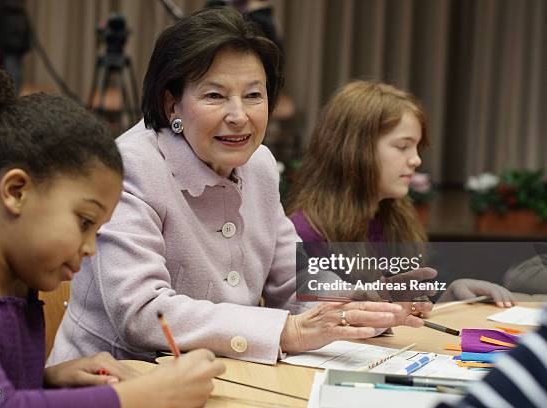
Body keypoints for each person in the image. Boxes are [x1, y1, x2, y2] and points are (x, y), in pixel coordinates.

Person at [49, 7, 427, 367]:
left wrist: (363, 305)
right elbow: (143, 313)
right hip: (117, 382)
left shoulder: (259, 164)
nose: (239, 116)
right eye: (215, 95)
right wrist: (287, 330)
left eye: (253, 95)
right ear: (172, 105)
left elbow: (293, 279)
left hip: (225, 378)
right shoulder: (131, 167)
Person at [0, 58, 224, 408]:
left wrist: (50, 381)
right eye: (85, 222)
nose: (90, 249)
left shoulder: (19, 286)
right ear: (15, 191)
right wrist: (144, 395)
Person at [286, 80, 515, 307]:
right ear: (354, 150)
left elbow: (409, 309)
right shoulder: (304, 233)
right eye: (403, 147)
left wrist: (451, 293)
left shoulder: (394, 216)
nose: (416, 160)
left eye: (417, 148)